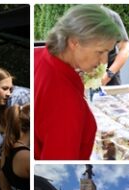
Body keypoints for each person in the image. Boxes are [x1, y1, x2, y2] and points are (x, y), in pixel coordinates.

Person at [34, 4, 122, 160]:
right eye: (100, 52)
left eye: (108, 52)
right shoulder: (65, 100)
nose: (103, 61)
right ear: (74, 42)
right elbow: (59, 160)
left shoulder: (39, 54)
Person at [100, 7, 129, 87]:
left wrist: (108, 75)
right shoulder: (77, 17)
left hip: (109, 79)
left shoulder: (111, 17)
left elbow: (125, 48)